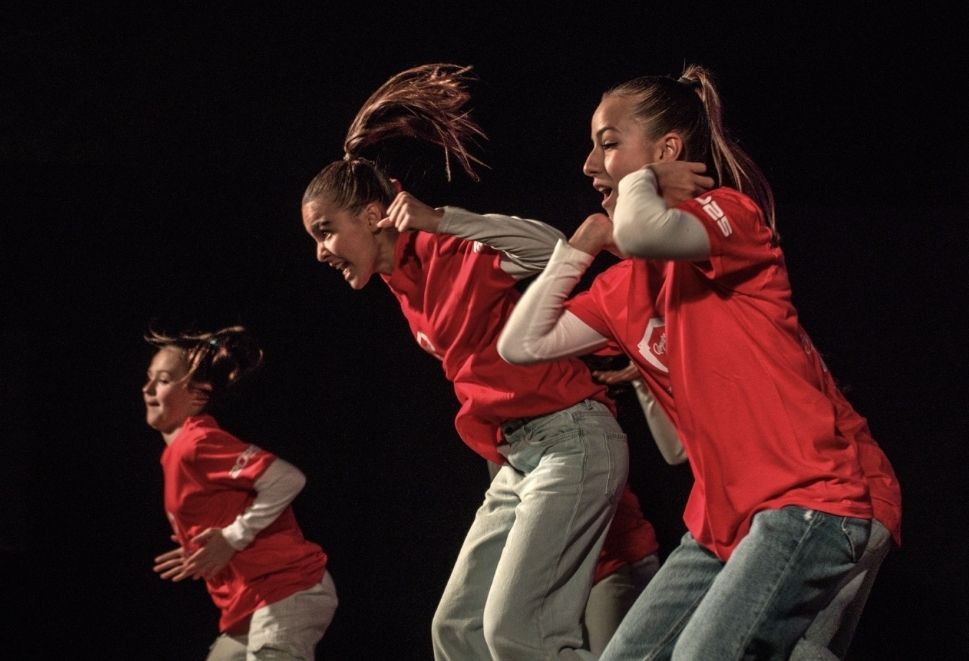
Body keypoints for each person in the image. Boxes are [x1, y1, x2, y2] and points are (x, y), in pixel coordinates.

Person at [299, 63, 708, 660]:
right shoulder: (402, 287)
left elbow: (552, 249)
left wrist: (443, 219)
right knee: (455, 630)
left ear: (369, 215)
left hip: (569, 437)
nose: (320, 252)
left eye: (325, 231)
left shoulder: (449, 249)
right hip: (519, 457)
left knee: (516, 634)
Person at [497, 64, 901, 660]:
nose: (589, 165)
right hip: (720, 525)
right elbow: (521, 344)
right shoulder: (623, 289)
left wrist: (644, 183)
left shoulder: (729, 215)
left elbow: (643, 232)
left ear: (667, 151)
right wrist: (576, 248)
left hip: (812, 499)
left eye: (609, 144)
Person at [144, 325, 337, 660]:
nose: (147, 388)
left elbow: (287, 479)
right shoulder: (174, 454)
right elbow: (223, 513)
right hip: (247, 606)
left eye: (162, 380)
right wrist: (198, 549)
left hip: (286, 588)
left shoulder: (196, 442)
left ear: (198, 395)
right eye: (149, 378)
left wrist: (232, 538)